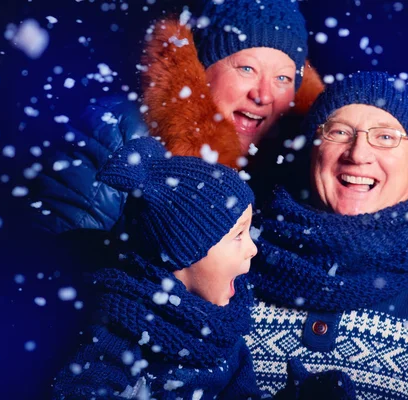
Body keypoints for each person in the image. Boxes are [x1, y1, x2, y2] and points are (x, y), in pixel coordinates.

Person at [52, 136, 357, 399]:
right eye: (237, 235)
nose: (252, 248)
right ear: (182, 252)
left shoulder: (223, 335)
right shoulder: (116, 334)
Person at [244, 71, 408, 399]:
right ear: (312, 153)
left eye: (386, 137)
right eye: (339, 132)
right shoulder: (236, 265)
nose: (358, 154)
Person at [32, 0, 324, 234]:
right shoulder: (121, 131)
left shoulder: (297, 168)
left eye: (283, 78)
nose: (263, 95)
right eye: (246, 69)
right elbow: (56, 257)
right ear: (201, 68)